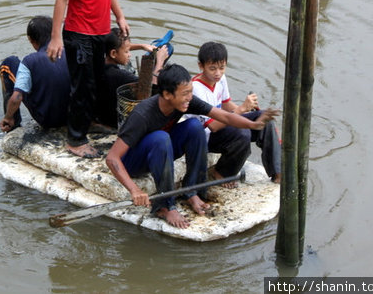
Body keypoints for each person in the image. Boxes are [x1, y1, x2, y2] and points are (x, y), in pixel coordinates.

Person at [105, 64, 279, 228]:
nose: (190, 97)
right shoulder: (142, 114)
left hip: (160, 150)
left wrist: (253, 125)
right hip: (134, 162)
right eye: (185, 93)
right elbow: (112, 158)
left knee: (194, 127)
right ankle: (165, 206)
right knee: (160, 137)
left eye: (191, 92)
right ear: (167, 94)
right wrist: (134, 190)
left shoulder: (185, 101)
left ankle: (193, 191)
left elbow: (223, 116)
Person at [47, 0, 129, 158]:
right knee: (82, 86)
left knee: (98, 80)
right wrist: (56, 36)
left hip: (101, 31)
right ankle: (75, 140)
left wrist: (120, 15)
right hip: (79, 33)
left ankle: (88, 122)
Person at [191, 41, 282, 184]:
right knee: (242, 133)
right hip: (206, 136)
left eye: (222, 68)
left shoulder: (220, 79)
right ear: (201, 66)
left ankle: (277, 172)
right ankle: (222, 172)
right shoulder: (196, 89)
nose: (218, 73)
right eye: (212, 69)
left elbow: (226, 104)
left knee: (265, 119)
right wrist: (241, 109)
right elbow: (212, 126)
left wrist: (247, 109)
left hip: (222, 124)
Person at [0, 16, 71, 132]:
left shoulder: (30, 61)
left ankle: (12, 124)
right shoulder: (71, 51)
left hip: (48, 120)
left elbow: (16, 98)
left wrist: (8, 117)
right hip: (73, 116)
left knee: (8, 64)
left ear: (31, 39)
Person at [96, 27, 169, 128]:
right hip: (113, 121)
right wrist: (160, 62)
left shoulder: (99, 62)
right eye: (127, 52)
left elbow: (119, 47)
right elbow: (150, 87)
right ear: (113, 53)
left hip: (100, 115)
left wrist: (142, 46)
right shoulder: (120, 76)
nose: (129, 55)